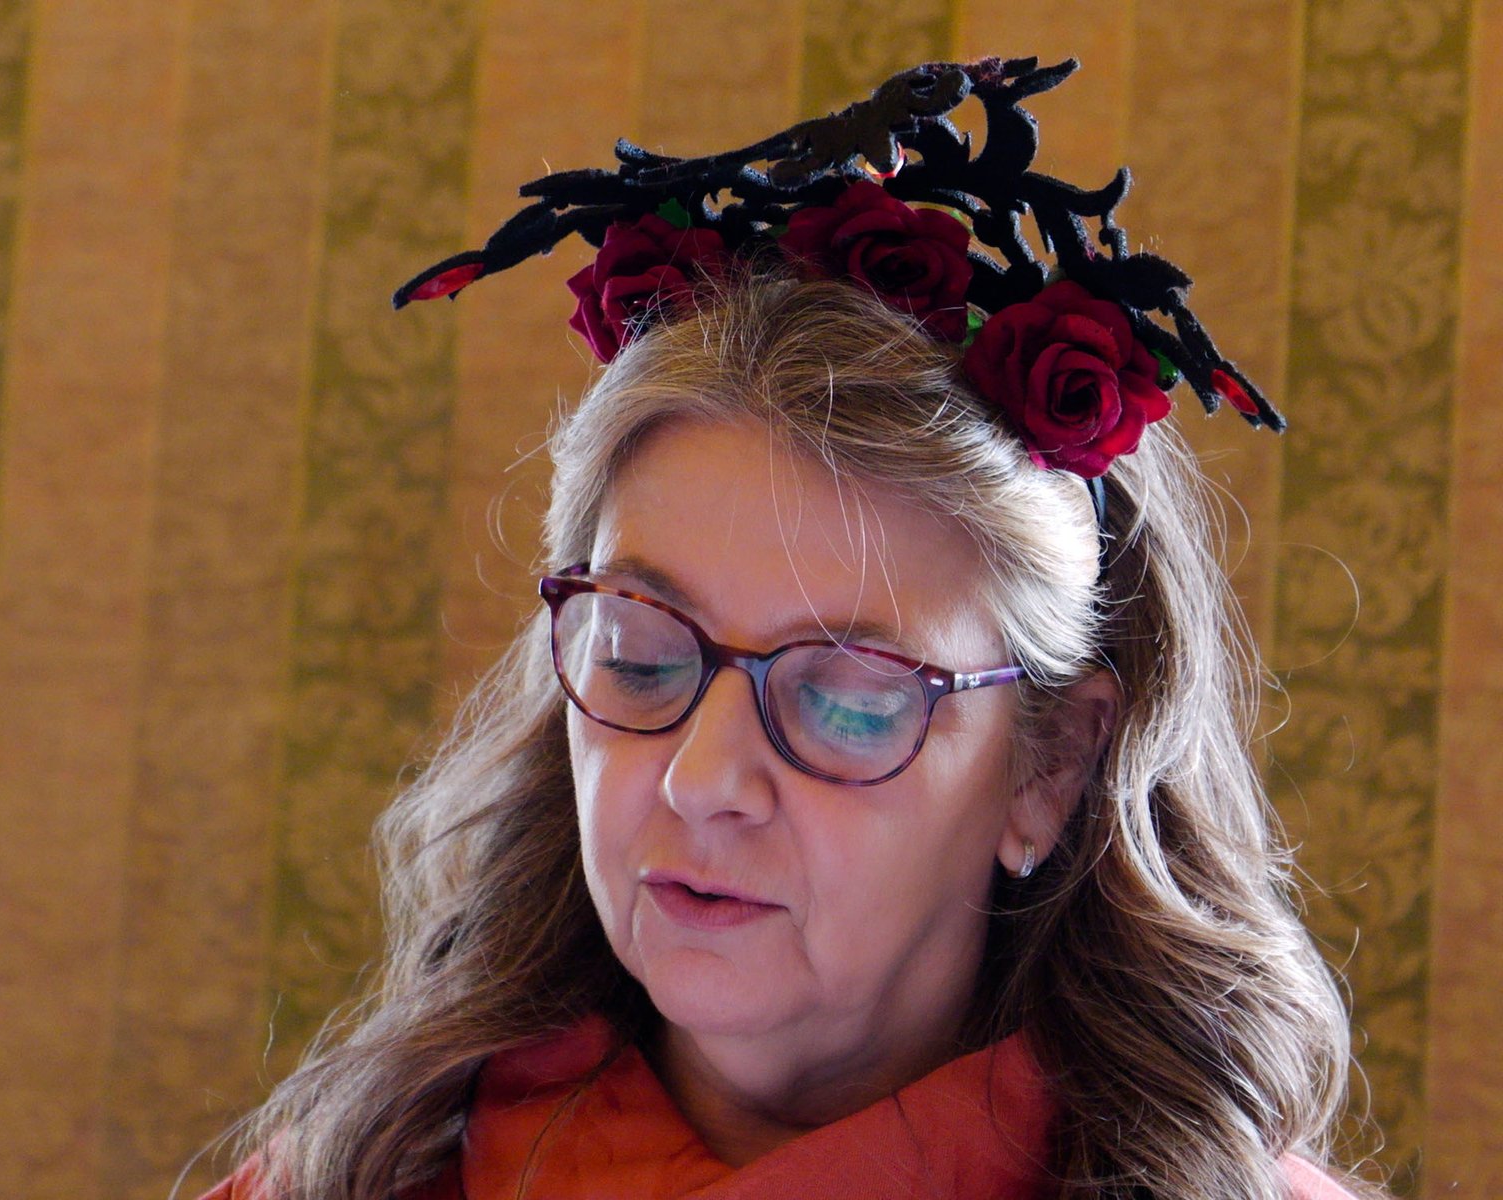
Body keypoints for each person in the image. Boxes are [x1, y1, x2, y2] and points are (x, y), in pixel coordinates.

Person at [201, 58, 1378, 1199]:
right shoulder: (352, 1179)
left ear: (1052, 766)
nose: (701, 781)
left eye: (847, 696)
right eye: (641, 658)